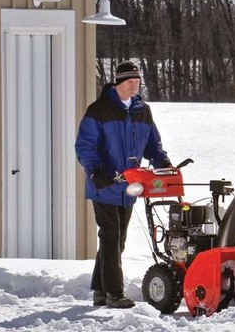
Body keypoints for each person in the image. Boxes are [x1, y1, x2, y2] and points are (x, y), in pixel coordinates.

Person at [75, 61, 172, 308]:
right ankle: (114, 294)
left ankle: (99, 290)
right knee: (110, 237)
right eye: (130, 82)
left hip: (130, 186)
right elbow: (85, 145)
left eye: (137, 82)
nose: (135, 87)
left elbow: (153, 144)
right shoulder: (99, 110)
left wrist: (162, 161)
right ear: (118, 83)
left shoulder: (143, 110)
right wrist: (95, 171)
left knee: (118, 240)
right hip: (105, 184)